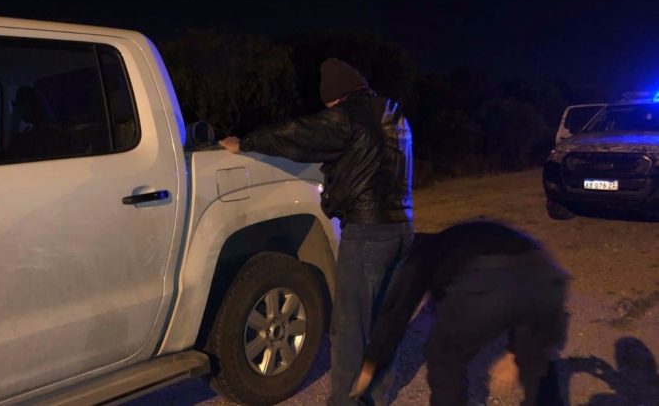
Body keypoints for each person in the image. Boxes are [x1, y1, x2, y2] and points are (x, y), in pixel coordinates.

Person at [219, 58, 414, 405]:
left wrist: (245, 142)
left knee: (350, 327)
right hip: (402, 228)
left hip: (368, 231)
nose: (329, 109)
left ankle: (345, 400)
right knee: (385, 319)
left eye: (329, 105)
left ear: (337, 97)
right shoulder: (394, 113)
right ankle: (381, 393)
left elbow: (297, 134)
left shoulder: (348, 115)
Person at [349, 221, 570, 406]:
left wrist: (370, 363)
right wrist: (514, 352)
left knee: (444, 360)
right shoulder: (460, 236)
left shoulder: (421, 252)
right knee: (537, 362)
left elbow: (397, 311)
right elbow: (519, 287)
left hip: (487, 280)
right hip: (547, 278)